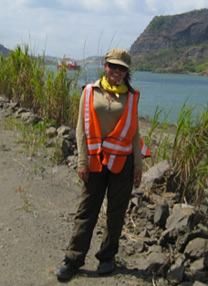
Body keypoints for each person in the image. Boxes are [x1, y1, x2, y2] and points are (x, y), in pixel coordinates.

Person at [55, 48, 150, 280]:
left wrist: (138, 165)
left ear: (127, 72)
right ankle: (73, 260)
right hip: (95, 163)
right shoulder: (89, 91)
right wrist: (82, 161)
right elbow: (80, 128)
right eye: (112, 66)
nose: (116, 71)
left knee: (116, 213)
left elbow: (134, 132)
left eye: (122, 68)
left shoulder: (131, 96)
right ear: (105, 66)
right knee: (86, 211)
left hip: (123, 164)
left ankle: (107, 257)